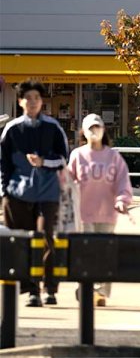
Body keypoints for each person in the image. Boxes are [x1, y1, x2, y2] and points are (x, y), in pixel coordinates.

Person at [0, 80, 68, 307]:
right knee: (22, 242)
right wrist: (4, 191)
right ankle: (31, 290)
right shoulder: (12, 129)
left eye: (36, 98)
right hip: (17, 193)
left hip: (47, 192)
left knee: (47, 238)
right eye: (27, 98)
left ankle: (50, 288)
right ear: (20, 102)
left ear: (42, 102)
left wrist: (43, 162)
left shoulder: (52, 127)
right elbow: (3, 163)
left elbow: (63, 159)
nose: (32, 102)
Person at [67, 113, 132, 306]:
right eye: (90, 129)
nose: (95, 131)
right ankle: (86, 288)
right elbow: (67, 182)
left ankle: (102, 293)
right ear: (84, 133)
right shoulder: (77, 155)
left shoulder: (113, 156)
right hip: (83, 214)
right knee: (86, 252)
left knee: (104, 252)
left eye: (98, 127)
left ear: (103, 130)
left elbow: (122, 182)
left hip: (107, 214)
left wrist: (122, 200)